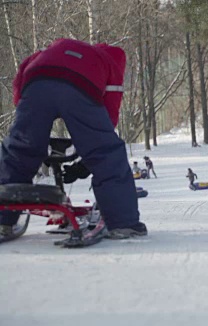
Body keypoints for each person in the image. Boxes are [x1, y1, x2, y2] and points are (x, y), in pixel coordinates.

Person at [0, 38, 146, 239]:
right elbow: (109, 117)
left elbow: (23, 74)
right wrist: (90, 156)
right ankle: (124, 223)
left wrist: (26, 118)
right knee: (106, 153)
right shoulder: (109, 60)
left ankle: (2, 219)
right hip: (80, 84)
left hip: (36, 81)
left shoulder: (54, 48)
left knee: (20, 150)